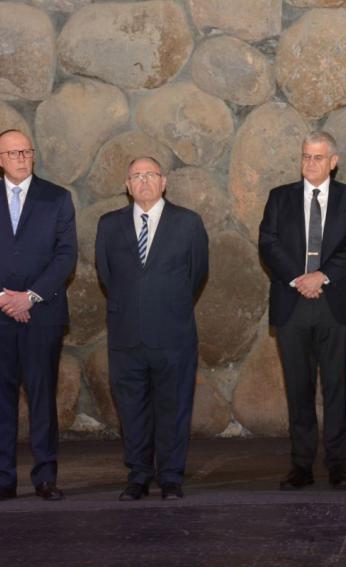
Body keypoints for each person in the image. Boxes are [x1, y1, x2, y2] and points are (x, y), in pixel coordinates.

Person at [0, 129, 77, 504]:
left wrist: (29, 297)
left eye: (26, 151)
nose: (20, 158)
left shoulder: (57, 198)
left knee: (43, 398)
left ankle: (45, 477)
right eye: (12, 153)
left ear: (33, 155)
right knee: (0, 401)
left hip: (41, 313)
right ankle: (2, 480)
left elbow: (65, 255)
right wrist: (2, 298)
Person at [258, 131, 346, 491]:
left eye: (318, 158)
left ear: (333, 162)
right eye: (306, 156)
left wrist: (321, 276)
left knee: (336, 386)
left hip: (335, 305)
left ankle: (339, 465)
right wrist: (298, 279)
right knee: (298, 388)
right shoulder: (280, 198)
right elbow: (268, 242)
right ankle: (301, 466)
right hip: (292, 304)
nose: (310, 163)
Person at [95, 157, 208, 501]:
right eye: (136, 176)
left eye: (150, 175)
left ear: (164, 182)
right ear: (127, 185)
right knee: (131, 408)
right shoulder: (109, 225)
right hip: (126, 333)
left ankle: (171, 476)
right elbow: (106, 275)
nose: (143, 181)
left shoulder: (188, 223)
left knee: (174, 406)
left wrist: (166, 305)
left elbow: (197, 274)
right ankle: (139, 475)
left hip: (173, 332)